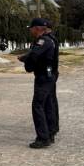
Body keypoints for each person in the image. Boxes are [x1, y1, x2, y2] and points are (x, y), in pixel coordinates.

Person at [18, 18, 57, 149]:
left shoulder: (43, 40)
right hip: (49, 76)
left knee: (38, 106)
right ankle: (50, 133)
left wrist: (26, 63)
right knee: (48, 105)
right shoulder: (50, 39)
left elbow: (34, 55)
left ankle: (43, 138)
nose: (30, 30)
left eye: (31, 28)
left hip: (43, 78)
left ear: (37, 28)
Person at [43, 20, 60, 141]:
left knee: (48, 103)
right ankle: (54, 127)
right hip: (52, 73)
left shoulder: (48, 40)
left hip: (48, 74)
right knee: (52, 101)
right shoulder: (53, 39)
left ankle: (51, 129)